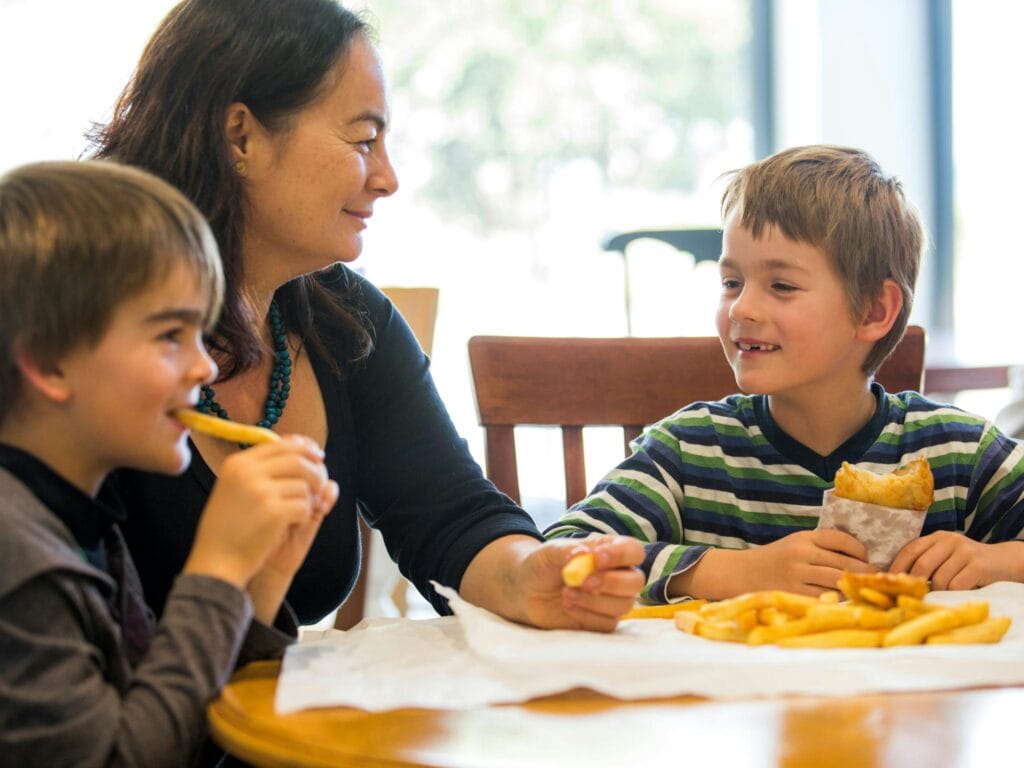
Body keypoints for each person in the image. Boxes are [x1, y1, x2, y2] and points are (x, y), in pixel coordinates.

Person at [90, 0, 643, 633]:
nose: (388, 178)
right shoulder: (80, 324)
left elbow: (449, 515)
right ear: (239, 136)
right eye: (363, 139)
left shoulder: (343, 318)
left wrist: (529, 576)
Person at [545, 145, 1024, 602]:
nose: (743, 308)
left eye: (782, 285)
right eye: (731, 282)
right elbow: (562, 553)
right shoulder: (690, 452)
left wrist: (996, 561)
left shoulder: (956, 453)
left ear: (875, 311)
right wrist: (732, 572)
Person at [0, 160, 336, 765]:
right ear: (48, 364)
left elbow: (177, 730)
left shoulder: (80, 519)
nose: (205, 366)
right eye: (169, 336)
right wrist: (216, 572)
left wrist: (259, 585)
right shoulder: (18, 559)